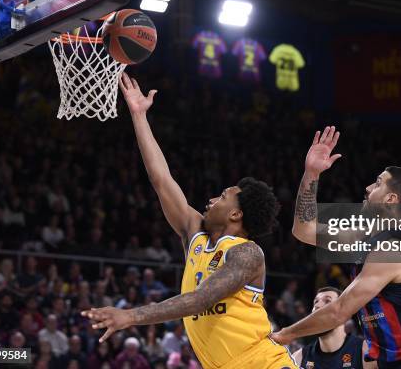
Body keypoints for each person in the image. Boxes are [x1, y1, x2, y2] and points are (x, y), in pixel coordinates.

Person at [82, 73, 297, 369]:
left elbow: (201, 299)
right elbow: (161, 180)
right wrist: (139, 115)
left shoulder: (247, 252)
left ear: (236, 214)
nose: (211, 200)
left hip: (263, 363)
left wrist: (131, 316)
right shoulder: (195, 236)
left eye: (222, 196)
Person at [272, 127, 401, 368]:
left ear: (390, 200)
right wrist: (312, 174)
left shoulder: (391, 250)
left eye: (377, 183)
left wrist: (283, 335)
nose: (368, 188)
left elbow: (338, 311)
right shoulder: (367, 236)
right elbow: (304, 229)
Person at [292, 287, 363, 369]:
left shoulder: (365, 352)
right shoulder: (298, 359)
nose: (317, 305)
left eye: (327, 301)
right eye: (316, 302)